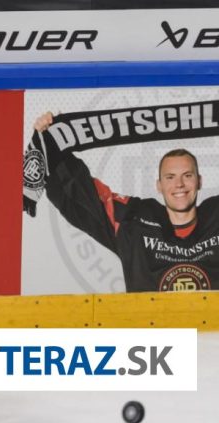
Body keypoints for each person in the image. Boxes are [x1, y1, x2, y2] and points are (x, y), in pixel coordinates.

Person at [34, 111, 219, 292]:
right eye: (170, 177)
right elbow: (82, 195)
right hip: (150, 314)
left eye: (187, 175)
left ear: (199, 181)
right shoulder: (133, 221)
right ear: (159, 185)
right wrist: (53, 141)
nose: (179, 184)